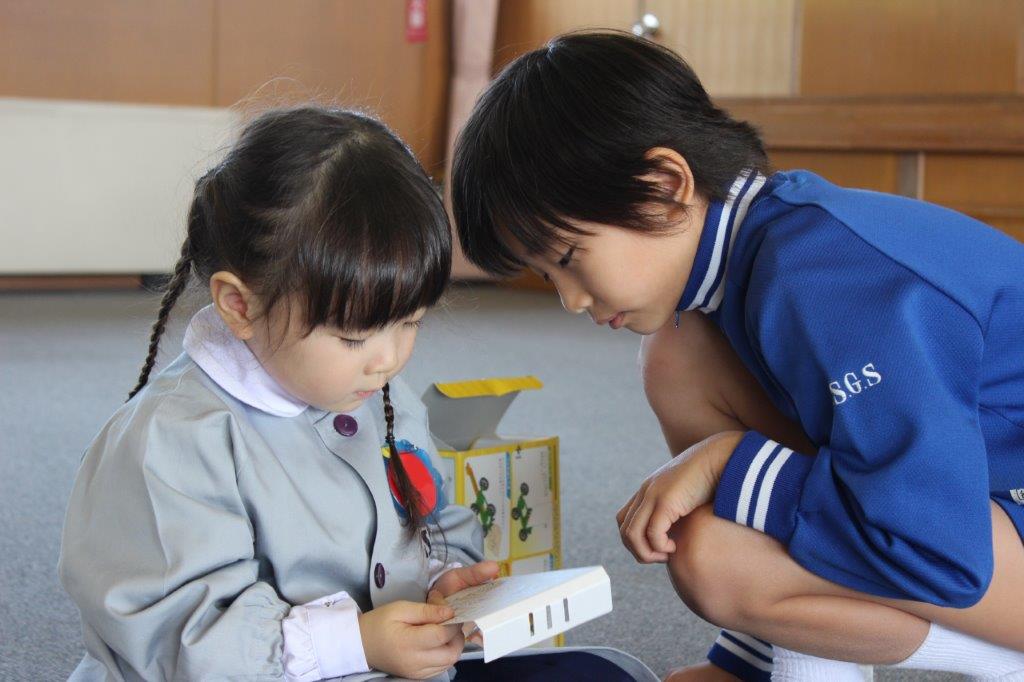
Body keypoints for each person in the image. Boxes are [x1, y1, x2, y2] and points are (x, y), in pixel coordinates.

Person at [450, 31, 1024, 681]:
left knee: (716, 548)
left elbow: (934, 545)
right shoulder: (757, 261)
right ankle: (779, 657)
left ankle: (1002, 660)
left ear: (665, 186)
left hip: (959, 532)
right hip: (972, 513)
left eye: (567, 259)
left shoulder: (828, 279)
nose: (569, 301)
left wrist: (731, 461)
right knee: (679, 366)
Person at [59, 106, 656, 682]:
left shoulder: (375, 392)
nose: (389, 359)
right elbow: (183, 641)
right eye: (351, 336)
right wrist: (358, 642)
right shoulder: (172, 441)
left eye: (411, 321)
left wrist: (442, 581)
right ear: (240, 305)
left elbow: (433, 513)